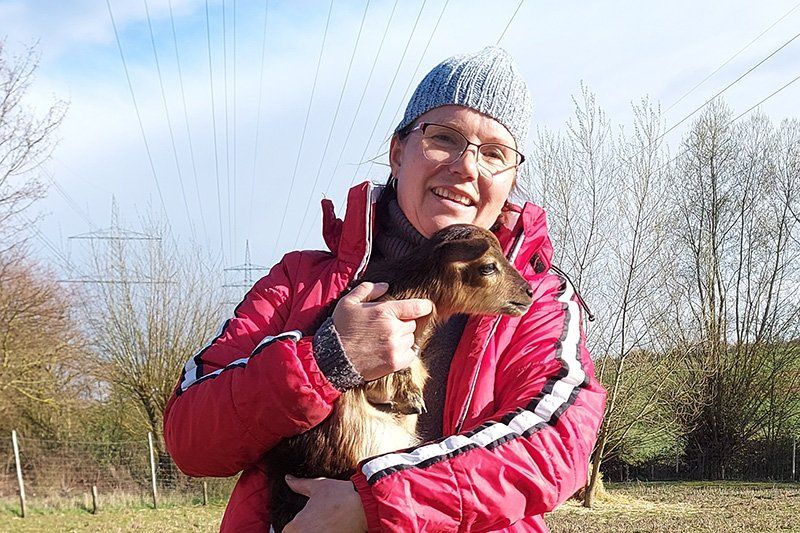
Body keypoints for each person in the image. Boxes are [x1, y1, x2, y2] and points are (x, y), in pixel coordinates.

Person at [164, 46, 606, 532]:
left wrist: (373, 502)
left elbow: (556, 446)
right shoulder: (299, 282)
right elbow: (190, 438)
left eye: (494, 153)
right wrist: (326, 360)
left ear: (511, 179)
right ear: (397, 153)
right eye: (444, 137)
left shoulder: (538, 303)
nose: (466, 167)